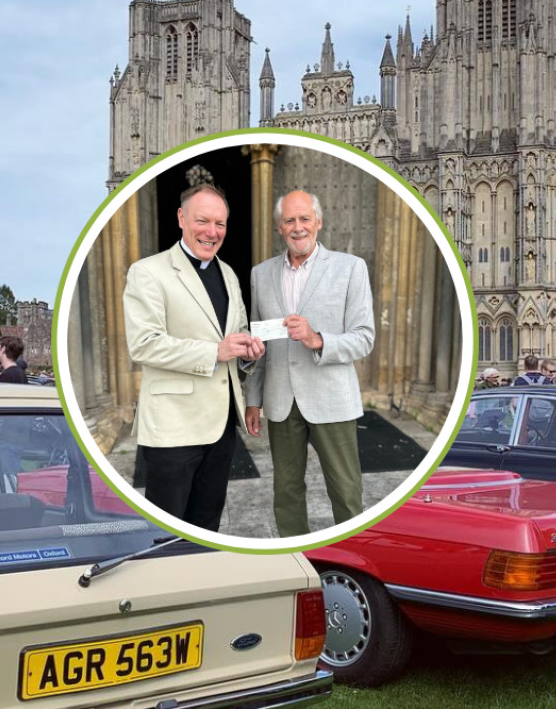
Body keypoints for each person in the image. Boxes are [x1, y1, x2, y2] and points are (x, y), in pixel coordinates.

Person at [124, 183, 264, 531]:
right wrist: (214, 352)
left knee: (206, 525)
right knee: (166, 531)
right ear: (181, 218)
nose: (212, 232)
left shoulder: (229, 274)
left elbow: (237, 334)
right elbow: (143, 343)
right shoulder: (148, 272)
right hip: (174, 426)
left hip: (220, 427)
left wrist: (249, 354)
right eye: (203, 221)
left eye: (220, 224)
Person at [245, 190, 374, 538]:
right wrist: (253, 399)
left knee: (346, 493)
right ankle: (295, 559)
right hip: (281, 401)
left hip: (331, 399)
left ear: (318, 222)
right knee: (285, 493)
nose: (298, 227)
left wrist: (318, 339)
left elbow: (364, 337)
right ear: (279, 227)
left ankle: (352, 561)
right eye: (290, 220)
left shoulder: (350, 268)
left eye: (304, 219)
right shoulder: (261, 274)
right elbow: (261, 344)